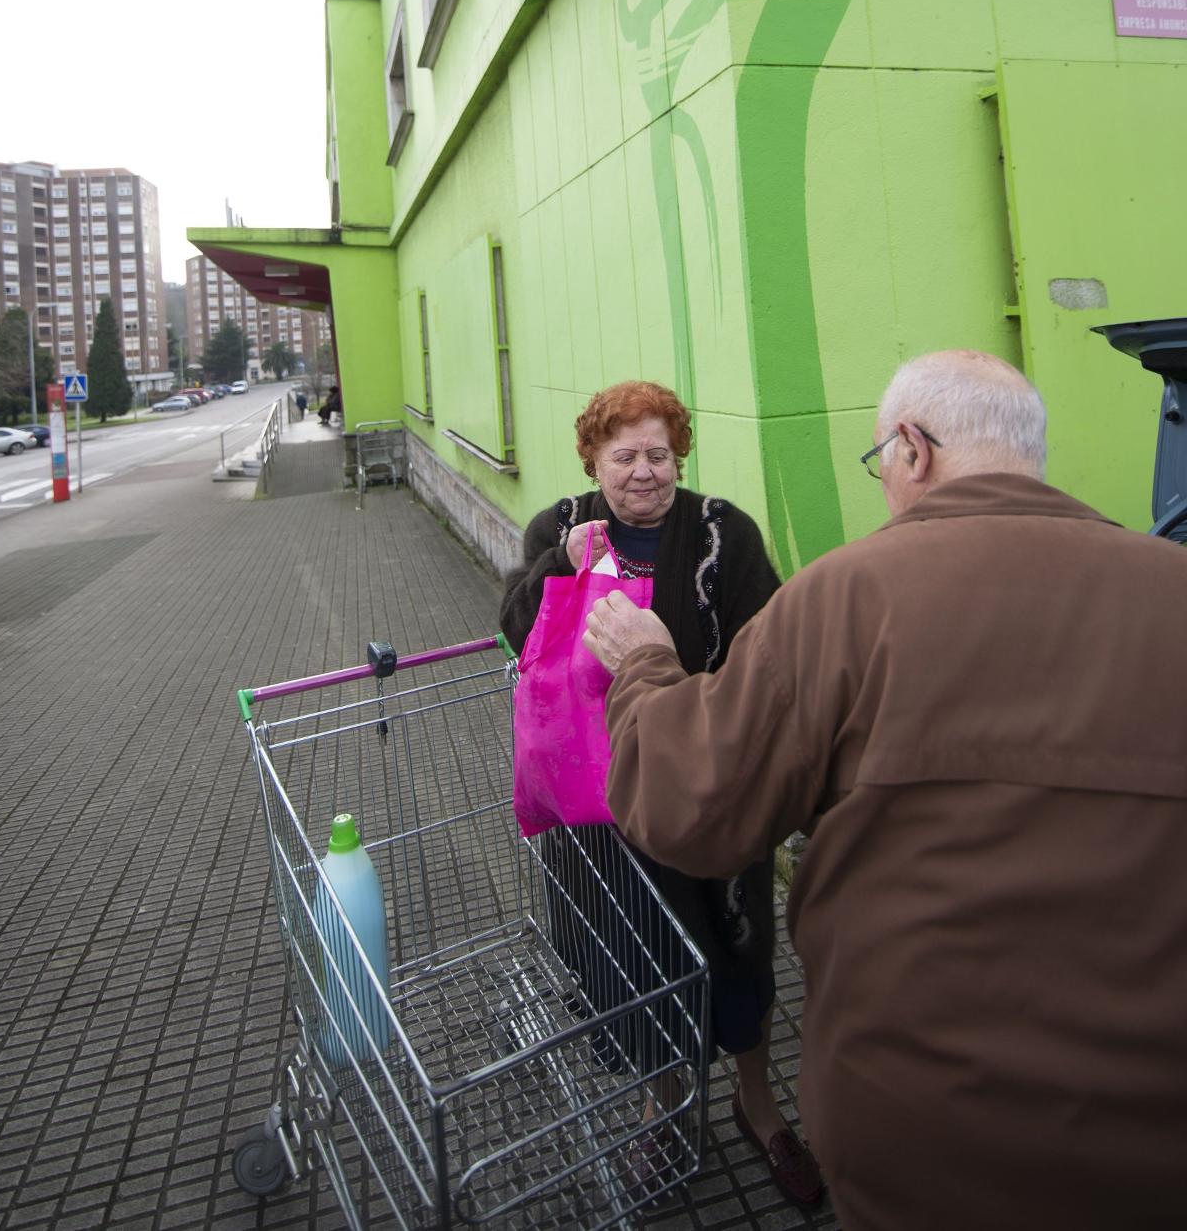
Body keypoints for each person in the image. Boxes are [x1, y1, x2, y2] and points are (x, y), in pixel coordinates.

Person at [584, 350, 1187, 1231]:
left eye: (880, 465)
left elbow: (687, 803)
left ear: (914, 450)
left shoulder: (845, 593)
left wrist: (643, 664)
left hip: (921, 1115)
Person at [501, 378, 823, 1209]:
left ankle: (760, 1105)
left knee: (736, 941)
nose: (645, 473)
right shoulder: (562, 528)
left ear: (679, 455)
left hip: (704, 783)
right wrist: (555, 569)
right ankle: (667, 1110)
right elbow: (515, 627)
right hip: (598, 801)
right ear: (592, 460)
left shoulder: (723, 533)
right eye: (625, 456)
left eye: (660, 454)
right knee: (638, 955)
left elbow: (771, 647)